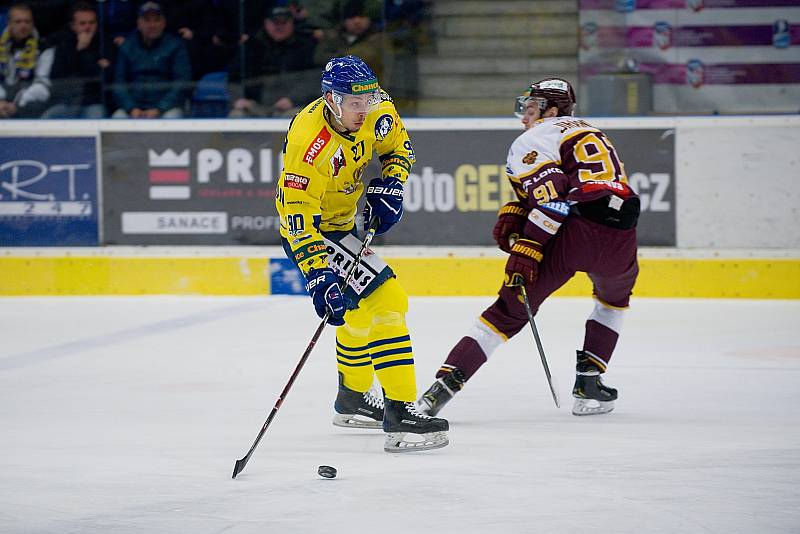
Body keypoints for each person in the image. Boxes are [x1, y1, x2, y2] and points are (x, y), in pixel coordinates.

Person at [417, 78, 640, 418]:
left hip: (576, 231)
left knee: (506, 313)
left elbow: (552, 202)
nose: (524, 117)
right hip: (623, 232)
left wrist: (529, 247)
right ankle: (590, 381)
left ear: (550, 111)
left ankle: (440, 391)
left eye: (531, 109)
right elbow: (569, 187)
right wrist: (523, 206)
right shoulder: (590, 130)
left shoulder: (534, 138)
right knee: (613, 302)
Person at [275, 55, 449, 452]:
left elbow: (398, 147)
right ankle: (401, 413)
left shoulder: (375, 105)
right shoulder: (308, 142)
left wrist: (392, 183)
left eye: (369, 100)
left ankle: (352, 397)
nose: (365, 109)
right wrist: (319, 274)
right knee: (388, 298)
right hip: (313, 234)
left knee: (356, 309)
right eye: (355, 104)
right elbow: (296, 214)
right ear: (331, 100)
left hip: (341, 225)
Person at [228, 6, 317, 118]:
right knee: (237, 115)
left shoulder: (305, 47)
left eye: (284, 22)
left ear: (292, 24)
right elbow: (234, 77)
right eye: (275, 22)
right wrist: (238, 99)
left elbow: (312, 79)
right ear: (266, 23)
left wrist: (293, 99)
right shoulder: (251, 46)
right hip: (254, 105)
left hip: (291, 106)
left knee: (297, 118)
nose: (279, 27)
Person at [111, 1, 191, 118]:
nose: (152, 25)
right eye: (147, 20)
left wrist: (160, 108)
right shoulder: (127, 46)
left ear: (163, 23)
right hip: (134, 107)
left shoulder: (175, 46)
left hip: (166, 108)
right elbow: (119, 83)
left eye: (156, 20)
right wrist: (131, 108)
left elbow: (182, 82)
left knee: (172, 118)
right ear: (139, 23)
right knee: (118, 118)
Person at [41, 2, 110, 119]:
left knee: (96, 118)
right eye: (82, 23)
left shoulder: (105, 44)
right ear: (73, 26)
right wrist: (79, 51)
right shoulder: (64, 46)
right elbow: (57, 77)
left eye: (92, 23)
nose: (88, 27)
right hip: (67, 103)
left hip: (93, 103)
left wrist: (83, 51)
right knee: (47, 118)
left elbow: (102, 77)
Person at [0, 2, 53, 118]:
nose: (23, 26)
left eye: (27, 21)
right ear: (9, 23)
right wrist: (1, 101)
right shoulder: (1, 47)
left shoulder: (45, 48)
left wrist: (17, 104)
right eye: (18, 22)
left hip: (29, 107)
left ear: (33, 23)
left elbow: (43, 86)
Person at [313, 0, 385, 83]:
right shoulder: (332, 38)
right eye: (351, 17)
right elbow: (319, 58)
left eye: (362, 16)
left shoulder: (379, 39)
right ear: (343, 21)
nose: (357, 21)